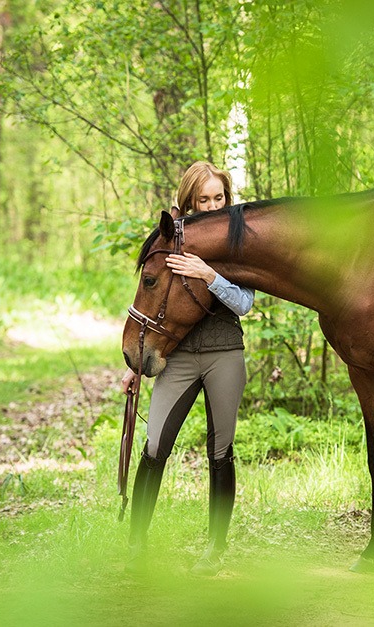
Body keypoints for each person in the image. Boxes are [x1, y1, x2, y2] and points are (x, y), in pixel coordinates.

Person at [120, 160, 254, 576]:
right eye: (204, 198)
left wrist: (209, 275)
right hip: (176, 358)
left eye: (219, 197)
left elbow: (245, 304)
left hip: (224, 354)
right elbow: (150, 302)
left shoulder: (237, 240)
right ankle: (137, 546)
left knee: (221, 452)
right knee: (155, 445)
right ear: (189, 201)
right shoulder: (168, 240)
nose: (212, 204)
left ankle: (215, 549)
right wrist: (136, 365)